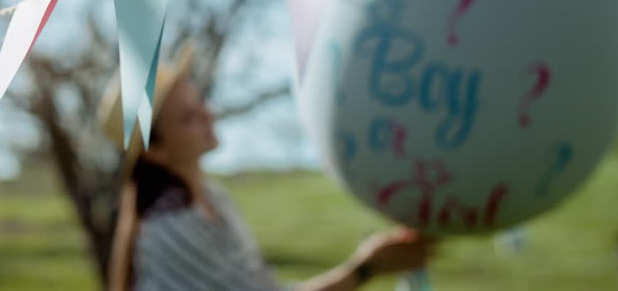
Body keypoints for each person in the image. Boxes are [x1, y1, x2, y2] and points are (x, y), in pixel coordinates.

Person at [98, 43, 435, 291]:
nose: (208, 115)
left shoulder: (212, 197)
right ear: (155, 151)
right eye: (188, 118)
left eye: (199, 103)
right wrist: (366, 268)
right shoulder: (170, 224)